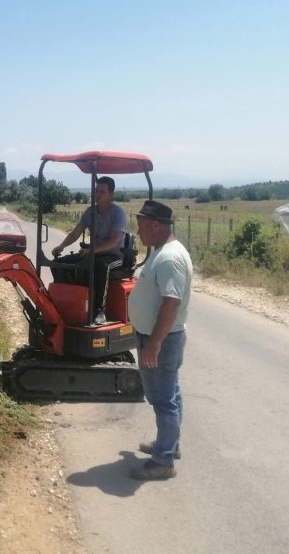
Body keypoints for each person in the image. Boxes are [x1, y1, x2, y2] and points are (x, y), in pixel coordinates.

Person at [127, 200, 192, 480]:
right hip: (158, 338)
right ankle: (169, 445)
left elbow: (171, 302)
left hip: (161, 341)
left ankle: (163, 461)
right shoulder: (162, 252)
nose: (138, 232)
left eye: (142, 226)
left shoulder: (169, 258)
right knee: (170, 393)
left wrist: (154, 343)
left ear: (155, 225)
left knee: (163, 400)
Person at [51, 176, 127, 323]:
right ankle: (71, 301)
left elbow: (114, 242)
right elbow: (76, 232)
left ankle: (99, 310)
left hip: (115, 255)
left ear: (111, 194)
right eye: (96, 191)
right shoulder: (90, 212)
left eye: (102, 191)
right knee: (58, 264)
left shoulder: (118, 213)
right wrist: (62, 246)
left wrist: (92, 251)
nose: (98, 194)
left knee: (101, 266)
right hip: (94, 254)